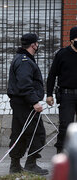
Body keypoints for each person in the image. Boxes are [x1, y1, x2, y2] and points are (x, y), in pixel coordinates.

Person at [7, 33, 48, 175]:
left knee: (20, 133)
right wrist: (34, 101)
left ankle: (15, 166)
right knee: (38, 133)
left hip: (21, 103)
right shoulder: (25, 61)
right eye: (37, 43)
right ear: (33, 45)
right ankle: (30, 164)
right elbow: (25, 84)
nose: (38, 45)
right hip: (26, 104)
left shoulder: (22, 58)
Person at [46, 26, 77, 154]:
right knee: (65, 126)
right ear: (71, 40)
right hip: (67, 95)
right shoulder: (62, 54)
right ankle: (61, 154)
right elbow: (52, 75)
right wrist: (49, 94)